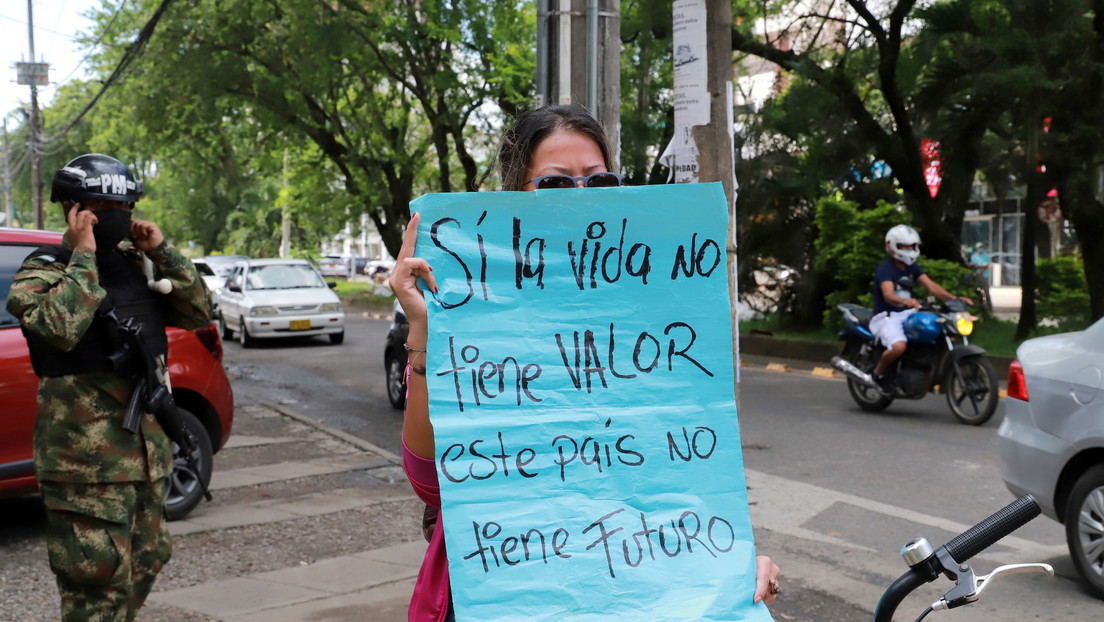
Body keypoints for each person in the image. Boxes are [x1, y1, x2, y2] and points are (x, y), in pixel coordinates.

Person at [388, 104, 781, 622]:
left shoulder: (656, 316)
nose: (579, 198)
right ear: (515, 196)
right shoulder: (475, 316)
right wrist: (422, 328)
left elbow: (685, 480)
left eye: (599, 181)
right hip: (508, 589)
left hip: (634, 587)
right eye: (555, 184)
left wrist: (728, 563)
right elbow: (429, 482)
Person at [6, 154, 211, 621]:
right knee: (95, 579)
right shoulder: (43, 271)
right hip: (85, 466)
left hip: (145, 455)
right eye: (101, 205)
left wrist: (162, 251)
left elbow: (197, 313)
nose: (114, 215)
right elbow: (60, 326)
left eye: (123, 205)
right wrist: (83, 256)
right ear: (72, 209)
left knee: (149, 557)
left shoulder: (136, 266)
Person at [868, 224, 972, 394]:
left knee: (940, 333)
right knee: (899, 346)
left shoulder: (912, 268)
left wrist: (955, 299)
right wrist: (905, 301)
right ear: (891, 246)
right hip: (887, 317)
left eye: (912, 246)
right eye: (904, 246)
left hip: (908, 314)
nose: (909, 250)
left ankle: (929, 373)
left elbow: (932, 287)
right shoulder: (885, 269)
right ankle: (877, 375)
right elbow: (888, 295)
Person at [968, 241, 992, 310]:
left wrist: (979, 269)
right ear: (976, 248)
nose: (980, 249)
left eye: (981, 247)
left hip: (984, 276)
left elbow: (985, 266)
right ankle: (980, 306)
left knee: (986, 292)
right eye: (979, 247)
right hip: (976, 277)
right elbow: (973, 266)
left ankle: (989, 307)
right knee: (977, 291)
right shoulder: (974, 256)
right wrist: (979, 267)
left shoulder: (986, 256)